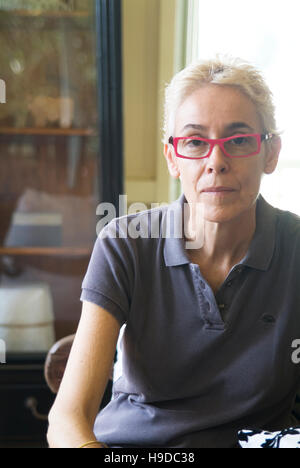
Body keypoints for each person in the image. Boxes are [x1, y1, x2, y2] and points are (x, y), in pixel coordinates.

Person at [47, 56, 300, 449]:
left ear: (270, 153)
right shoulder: (125, 243)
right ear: (172, 157)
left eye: (238, 140)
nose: (216, 162)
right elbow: (67, 418)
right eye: (196, 142)